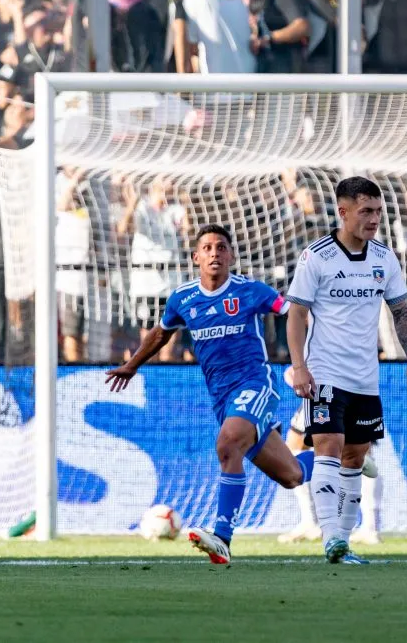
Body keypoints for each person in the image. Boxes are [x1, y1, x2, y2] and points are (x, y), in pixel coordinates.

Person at [105, 225, 314, 565]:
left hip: (255, 385)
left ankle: (222, 537)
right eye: (207, 248)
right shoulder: (183, 299)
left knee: (227, 443)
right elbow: (161, 333)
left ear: (231, 256)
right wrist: (132, 365)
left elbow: (293, 313)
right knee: (291, 475)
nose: (214, 253)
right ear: (196, 258)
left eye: (221, 247)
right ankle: (341, 456)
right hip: (222, 398)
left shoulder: (251, 291)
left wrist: (306, 360)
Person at [286, 176, 407, 564]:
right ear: (343, 212)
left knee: (355, 457)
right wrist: (299, 366)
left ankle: (343, 541)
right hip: (324, 372)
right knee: (328, 446)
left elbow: (400, 311)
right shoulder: (317, 257)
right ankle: (330, 535)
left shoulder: (384, 258)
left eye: (378, 211)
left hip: (365, 376)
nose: (374, 219)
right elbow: (296, 314)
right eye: (366, 211)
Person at [277, 366, 380, 545]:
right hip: (357, 382)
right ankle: (371, 527)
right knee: (360, 452)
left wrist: (299, 368)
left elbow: (293, 371)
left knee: (298, 446)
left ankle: (312, 522)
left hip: (326, 384)